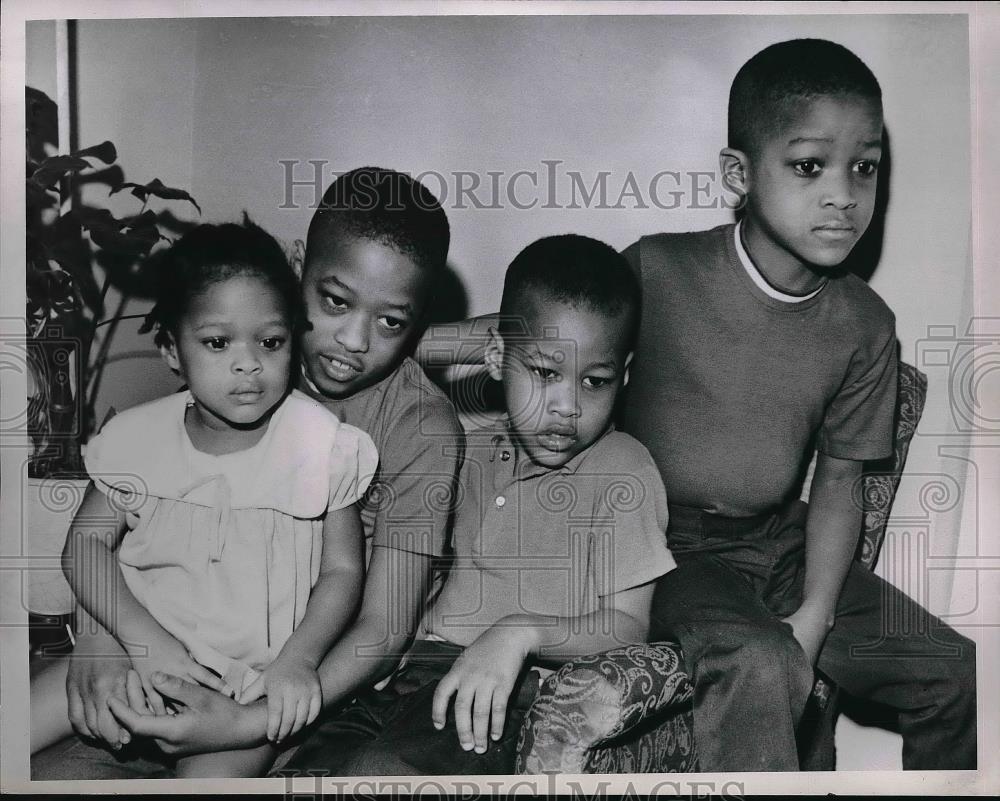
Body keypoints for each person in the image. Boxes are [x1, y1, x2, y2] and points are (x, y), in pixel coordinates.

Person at [415, 39, 977, 772]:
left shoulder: (865, 324)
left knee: (950, 670)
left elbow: (840, 479)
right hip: (668, 542)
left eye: (863, 167)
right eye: (810, 166)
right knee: (758, 657)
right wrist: (393, 338)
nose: (843, 193)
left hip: (781, 543)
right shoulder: (661, 268)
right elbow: (546, 331)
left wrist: (815, 611)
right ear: (739, 174)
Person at [31, 168, 464, 779]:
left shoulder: (414, 429)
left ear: (418, 321)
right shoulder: (238, 357)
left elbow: (383, 627)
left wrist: (253, 717)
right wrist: (105, 633)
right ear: (296, 268)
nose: (353, 340)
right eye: (334, 302)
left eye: (392, 321)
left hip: (297, 677)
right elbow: (128, 527)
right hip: (161, 638)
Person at [305, 234, 676, 775]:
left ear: (623, 375)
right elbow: (396, 343)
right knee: (304, 773)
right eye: (545, 373)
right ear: (498, 356)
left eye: (595, 381)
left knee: (378, 775)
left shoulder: (624, 467)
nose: (567, 407)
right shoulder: (470, 444)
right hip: (403, 677)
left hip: (504, 690)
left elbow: (627, 626)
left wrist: (519, 631)